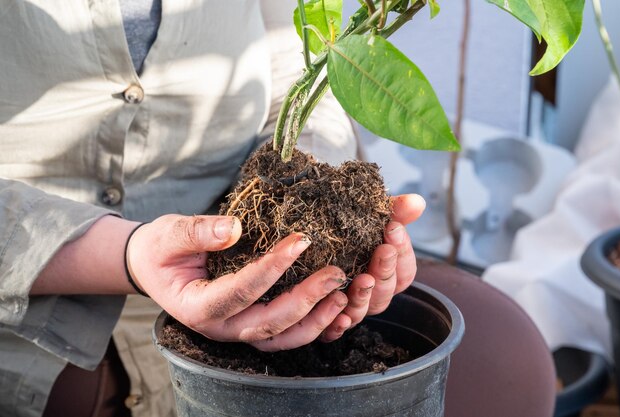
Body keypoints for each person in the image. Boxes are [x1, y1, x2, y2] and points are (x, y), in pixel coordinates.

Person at [0, 1, 424, 416]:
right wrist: (128, 252)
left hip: (226, 286)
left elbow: (297, 67)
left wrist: (310, 186)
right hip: (29, 333)